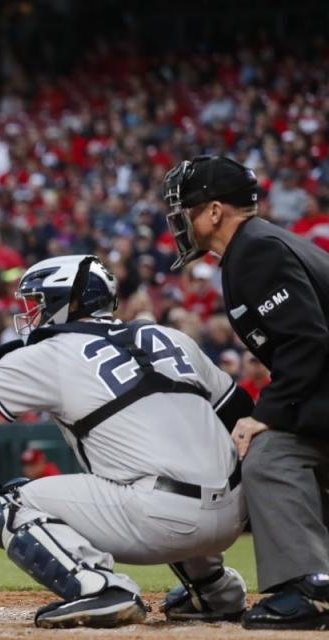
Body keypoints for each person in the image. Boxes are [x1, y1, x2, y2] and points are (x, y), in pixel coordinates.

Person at [0, 255, 252, 628]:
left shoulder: (52, 353)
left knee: (8, 503)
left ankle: (101, 589)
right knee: (174, 467)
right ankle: (215, 589)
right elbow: (241, 413)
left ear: (67, 301)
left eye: (38, 302)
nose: (31, 313)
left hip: (164, 520)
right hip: (234, 514)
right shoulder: (168, 335)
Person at [163, 154, 329, 630]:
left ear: (215, 211)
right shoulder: (261, 244)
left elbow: (306, 341)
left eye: (186, 210)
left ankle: (306, 590)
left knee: (272, 453)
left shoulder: (256, 250)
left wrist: (267, 415)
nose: (181, 221)